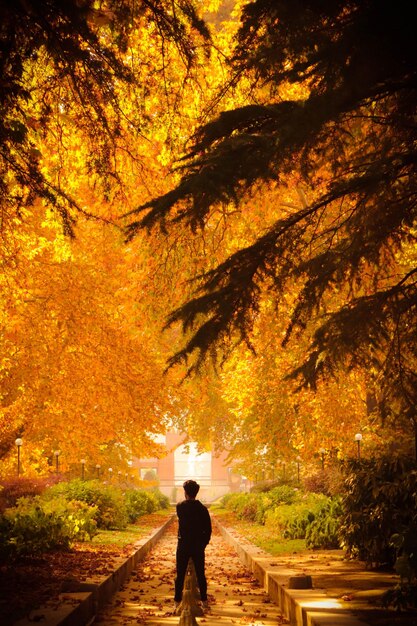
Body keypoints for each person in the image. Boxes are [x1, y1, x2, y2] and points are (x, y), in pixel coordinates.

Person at [174, 479, 212, 611]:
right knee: (201, 574)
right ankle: (204, 601)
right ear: (197, 492)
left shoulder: (180, 507)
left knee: (180, 574)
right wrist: (203, 544)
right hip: (197, 546)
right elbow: (208, 529)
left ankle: (177, 601)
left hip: (183, 545)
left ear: (185, 492)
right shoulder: (203, 509)